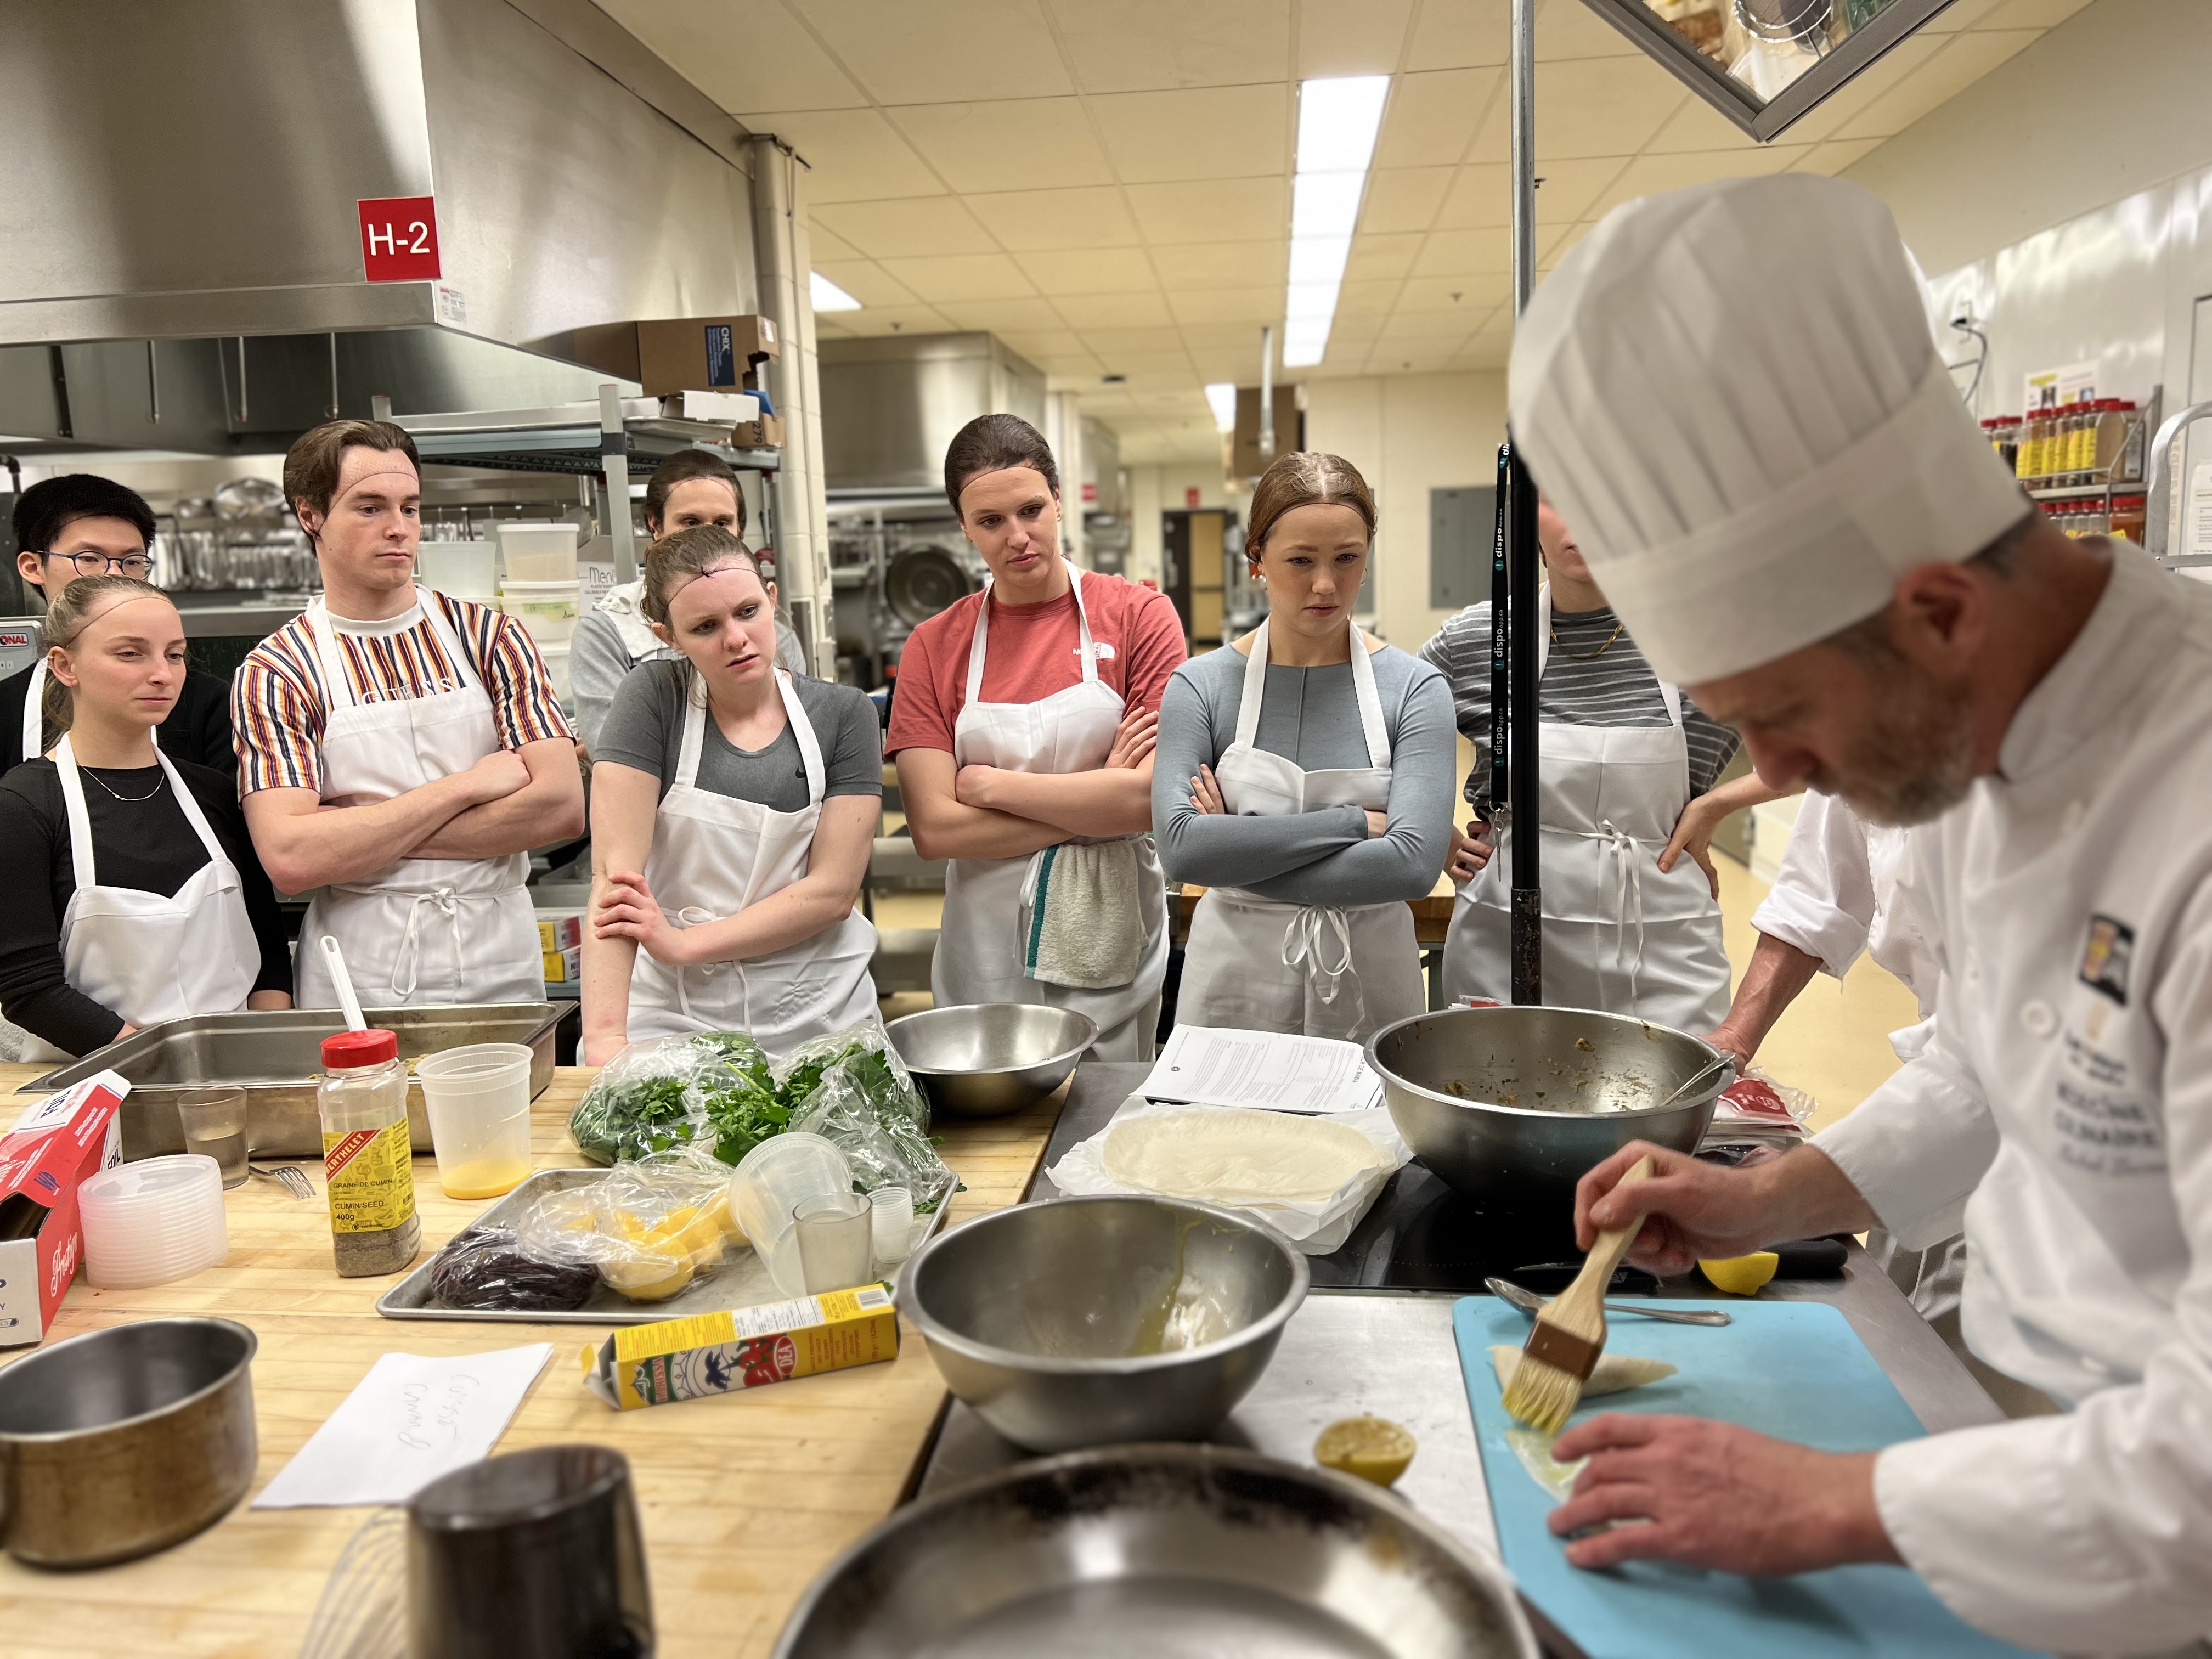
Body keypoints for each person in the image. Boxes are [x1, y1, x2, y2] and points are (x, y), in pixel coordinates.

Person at [1514, 173, 2212, 1651]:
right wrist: (1767, 1199)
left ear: (1939, 609)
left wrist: (1831, 1506)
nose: (1769, 778)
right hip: (2005, 1442)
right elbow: (1992, 1062)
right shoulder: (1971, 739)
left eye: (1778, 717)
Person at [234, 419, 583, 1009]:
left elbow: (562, 808)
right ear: (309, 514)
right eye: (369, 508)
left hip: (499, 957)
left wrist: (359, 832)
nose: (399, 529)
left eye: (410, 508)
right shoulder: (278, 670)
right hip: (360, 978)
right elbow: (292, 859)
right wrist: (467, 787)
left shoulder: (490, 636)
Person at [888, 414, 1185, 1060]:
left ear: (1057, 499)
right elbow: (937, 831)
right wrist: (1096, 802)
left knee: (1105, 1136)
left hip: (1110, 943)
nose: (1017, 538)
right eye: (991, 522)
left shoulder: (1139, 617)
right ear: (964, 527)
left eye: (1030, 510)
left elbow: (1150, 802)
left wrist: (991, 787)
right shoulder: (936, 645)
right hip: (986, 951)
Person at [1424, 496, 1777, 1031]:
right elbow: (1373, 730)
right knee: (1500, 1104)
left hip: (1663, 963)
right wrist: (1436, 834)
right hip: (1503, 956)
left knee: (1664, 1109)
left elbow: (1858, 730)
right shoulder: (1478, 641)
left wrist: (1718, 804)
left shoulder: (1706, 642)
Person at [1154, 452, 1453, 1040]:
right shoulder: (1201, 687)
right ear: (1256, 561)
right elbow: (1183, 853)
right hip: (1232, 982)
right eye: (1300, 561)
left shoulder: (1415, 690)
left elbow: (1414, 866)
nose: (1326, 585)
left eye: (1347, 559)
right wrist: (1351, 826)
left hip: (1369, 978)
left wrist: (1235, 857)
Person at [580, 526, 879, 1063]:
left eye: (747, 612)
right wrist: (605, 1039)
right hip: (677, 1012)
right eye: (705, 627)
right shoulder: (654, 699)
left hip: (819, 1011)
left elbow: (832, 892)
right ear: (668, 637)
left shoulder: (844, 714)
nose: (736, 639)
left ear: (770, 600)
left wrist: (682, 945)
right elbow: (615, 882)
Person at [0, 577, 291, 1060]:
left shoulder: (214, 793)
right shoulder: (23, 807)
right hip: (96, 1084)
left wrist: (263, 1053)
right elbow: (29, 988)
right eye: (130, 654)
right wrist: (172, 1067)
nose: (163, 674)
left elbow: (267, 947)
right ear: (64, 665)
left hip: (239, 1072)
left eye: (174, 654)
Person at [570, 449, 805, 755]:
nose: (706, 536)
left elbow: (801, 742)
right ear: (655, 525)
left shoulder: (774, 633)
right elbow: (620, 759)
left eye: (722, 523)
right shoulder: (606, 635)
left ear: (740, 531)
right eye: (690, 522)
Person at [2, 474, 235, 776]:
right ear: (33, 567)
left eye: (133, 560)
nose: (114, 575)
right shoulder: (7, 708)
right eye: (89, 558)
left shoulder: (208, 704)